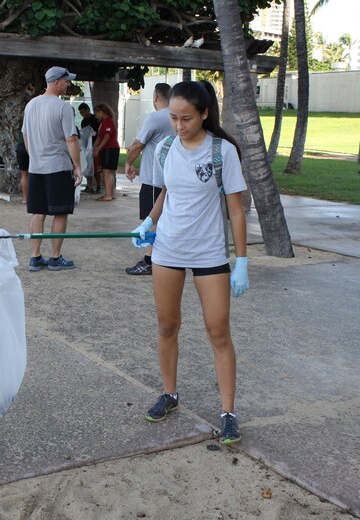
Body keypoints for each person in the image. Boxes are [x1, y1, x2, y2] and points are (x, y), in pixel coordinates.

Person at [132, 81, 249, 445]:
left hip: (209, 254)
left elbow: (236, 209)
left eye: (186, 118)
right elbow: (169, 192)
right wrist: (149, 222)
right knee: (167, 326)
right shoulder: (166, 148)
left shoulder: (222, 152)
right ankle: (169, 393)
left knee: (218, 332)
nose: (179, 126)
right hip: (167, 250)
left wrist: (241, 260)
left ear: (204, 114)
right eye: (173, 118)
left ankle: (228, 413)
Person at [22, 66, 82, 272]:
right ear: (57, 82)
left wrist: (35, 155)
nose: (68, 84)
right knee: (60, 212)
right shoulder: (63, 107)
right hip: (58, 166)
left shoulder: (31, 105)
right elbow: (71, 139)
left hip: (36, 167)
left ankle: (35, 257)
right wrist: (77, 166)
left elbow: (25, 135)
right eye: (66, 81)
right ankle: (55, 258)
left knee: (38, 212)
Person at [124, 83, 174, 275]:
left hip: (154, 179)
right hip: (170, 178)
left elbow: (137, 145)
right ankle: (160, 257)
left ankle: (150, 260)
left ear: (155, 98)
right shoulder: (176, 117)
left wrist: (129, 163)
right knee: (161, 219)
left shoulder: (155, 117)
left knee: (151, 219)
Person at [92, 103, 119, 201]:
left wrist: (98, 148)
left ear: (101, 112)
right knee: (109, 172)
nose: (96, 116)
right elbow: (100, 137)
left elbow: (106, 137)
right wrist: (94, 146)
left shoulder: (108, 122)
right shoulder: (103, 123)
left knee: (106, 172)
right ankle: (111, 194)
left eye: (96, 114)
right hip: (110, 148)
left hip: (110, 148)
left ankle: (108, 194)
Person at [79, 102, 101, 193]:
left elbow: (99, 132)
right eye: (81, 113)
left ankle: (99, 185)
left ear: (88, 110)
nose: (82, 114)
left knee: (95, 167)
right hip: (86, 146)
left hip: (95, 145)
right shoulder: (83, 122)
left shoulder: (95, 119)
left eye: (83, 112)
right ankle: (89, 186)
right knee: (88, 166)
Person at [16, 131, 30, 204]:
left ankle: (25, 199)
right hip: (32, 146)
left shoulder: (26, 121)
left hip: (21, 146)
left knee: (24, 175)